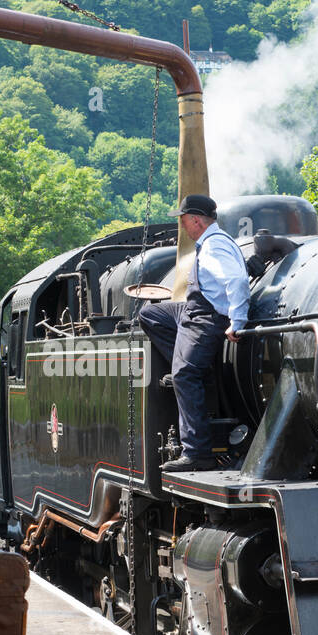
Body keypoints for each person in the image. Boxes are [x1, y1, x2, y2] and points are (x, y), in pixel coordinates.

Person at [138, 194, 249, 472]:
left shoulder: (214, 247)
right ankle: (188, 358)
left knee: (184, 375)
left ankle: (197, 452)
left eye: (184, 220)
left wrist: (237, 320)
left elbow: (236, 280)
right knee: (150, 315)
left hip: (206, 317)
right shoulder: (214, 242)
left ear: (196, 220)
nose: (183, 226)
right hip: (190, 309)